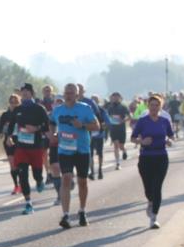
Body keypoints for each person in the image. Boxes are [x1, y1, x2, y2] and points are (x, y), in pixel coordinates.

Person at [50, 83, 99, 228]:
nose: (68, 95)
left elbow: (97, 126)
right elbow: (51, 122)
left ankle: (82, 211)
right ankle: (65, 215)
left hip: (82, 150)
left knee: (82, 181)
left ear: (77, 95)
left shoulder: (85, 108)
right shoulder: (58, 110)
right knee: (66, 178)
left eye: (71, 93)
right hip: (65, 150)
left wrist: (82, 126)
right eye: (66, 92)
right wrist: (52, 133)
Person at [131, 95, 175, 229]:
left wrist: (170, 141)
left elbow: (172, 136)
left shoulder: (164, 121)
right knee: (148, 188)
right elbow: (133, 138)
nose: (154, 108)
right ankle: (150, 201)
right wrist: (141, 141)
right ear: (148, 106)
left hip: (161, 156)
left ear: (160, 107)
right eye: (152, 105)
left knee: (157, 187)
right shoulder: (143, 121)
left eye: (157, 105)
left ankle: (154, 217)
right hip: (145, 157)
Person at [9, 83, 50, 215]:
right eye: (23, 91)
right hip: (21, 147)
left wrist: (36, 128)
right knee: (23, 175)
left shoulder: (39, 108)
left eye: (27, 91)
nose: (25, 93)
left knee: (36, 173)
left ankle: (39, 180)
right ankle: (28, 203)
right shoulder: (17, 109)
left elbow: (46, 126)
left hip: (36, 147)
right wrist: (9, 137)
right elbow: (11, 124)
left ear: (32, 93)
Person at [0, 93, 22, 194]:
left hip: (21, 141)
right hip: (8, 141)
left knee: (21, 164)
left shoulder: (21, 114)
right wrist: (3, 132)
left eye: (15, 102)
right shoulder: (5, 115)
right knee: (13, 165)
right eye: (11, 102)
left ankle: (22, 183)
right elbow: (0, 129)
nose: (13, 104)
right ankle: (16, 185)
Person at [104, 92, 130, 168]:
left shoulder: (123, 107)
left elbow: (130, 116)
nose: (115, 98)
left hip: (121, 128)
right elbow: (107, 117)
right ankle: (118, 163)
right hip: (113, 129)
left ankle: (124, 151)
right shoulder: (110, 107)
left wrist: (123, 121)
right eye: (114, 97)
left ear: (120, 98)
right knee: (116, 145)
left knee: (121, 146)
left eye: (116, 97)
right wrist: (106, 123)